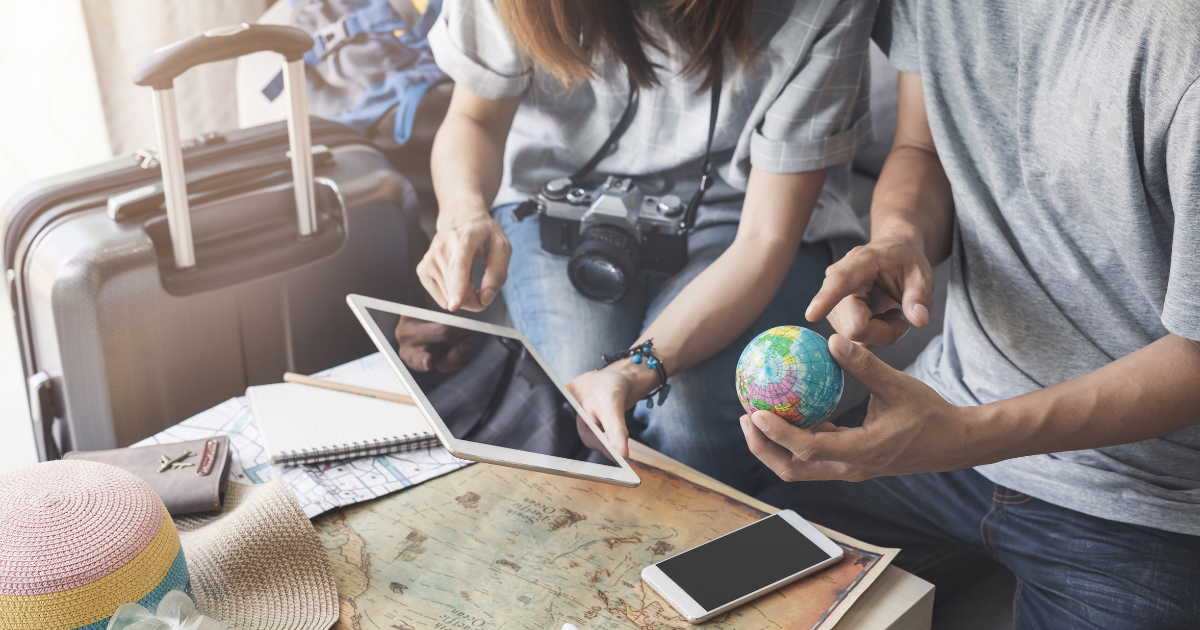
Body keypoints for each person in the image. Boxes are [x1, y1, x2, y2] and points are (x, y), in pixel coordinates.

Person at [741, 0, 1200, 627]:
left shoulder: (1182, 47)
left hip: (1144, 494)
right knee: (712, 590)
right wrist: (899, 239)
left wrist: (964, 435)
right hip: (947, 411)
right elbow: (919, 147)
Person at [413, 0, 878, 492]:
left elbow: (765, 238)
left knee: (690, 425)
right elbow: (474, 118)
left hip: (743, 204)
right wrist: (463, 212)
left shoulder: (818, 9)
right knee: (580, 411)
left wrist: (635, 371)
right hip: (560, 199)